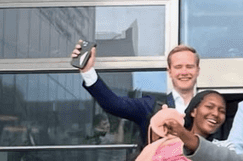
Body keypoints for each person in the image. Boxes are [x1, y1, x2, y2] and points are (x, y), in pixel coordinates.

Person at [71, 41, 200, 143]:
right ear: (170, 71)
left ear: (198, 70)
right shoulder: (151, 106)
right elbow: (114, 104)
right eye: (178, 67)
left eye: (189, 66)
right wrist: (87, 71)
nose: (184, 72)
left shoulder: (210, 109)